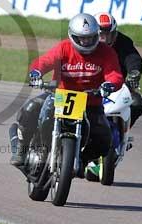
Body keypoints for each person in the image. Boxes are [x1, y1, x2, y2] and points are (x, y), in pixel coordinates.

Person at [9, 13, 124, 171]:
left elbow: (115, 74)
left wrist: (110, 85)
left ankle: (81, 161)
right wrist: (36, 72)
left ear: (97, 35)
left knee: (105, 139)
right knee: (30, 108)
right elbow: (45, 61)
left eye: (90, 38)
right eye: (82, 38)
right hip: (59, 96)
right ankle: (21, 149)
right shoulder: (64, 47)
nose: (86, 41)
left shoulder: (106, 52)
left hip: (90, 101)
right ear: (73, 36)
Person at [94, 12, 142, 127]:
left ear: (114, 34)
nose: (104, 39)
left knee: (136, 103)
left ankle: (121, 132)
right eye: (101, 34)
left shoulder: (123, 42)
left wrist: (134, 72)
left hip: (114, 87)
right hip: (86, 87)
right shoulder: (84, 43)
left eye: (108, 34)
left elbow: (133, 58)